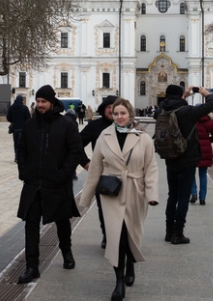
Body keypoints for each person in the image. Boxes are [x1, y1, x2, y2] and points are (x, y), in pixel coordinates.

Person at [81, 98, 158, 301]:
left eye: (123, 113)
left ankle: (131, 262)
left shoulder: (143, 138)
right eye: (116, 114)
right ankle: (119, 281)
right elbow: (96, 167)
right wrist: (86, 197)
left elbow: (151, 168)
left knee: (132, 233)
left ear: (130, 115)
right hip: (112, 192)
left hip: (135, 190)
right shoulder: (104, 137)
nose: (119, 117)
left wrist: (151, 194)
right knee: (116, 236)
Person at [16, 85, 83, 284]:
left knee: (62, 221)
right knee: (31, 224)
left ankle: (66, 251)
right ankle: (31, 266)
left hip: (57, 182)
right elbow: (21, 150)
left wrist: (64, 173)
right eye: (38, 101)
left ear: (52, 103)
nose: (40, 105)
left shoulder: (66, 125)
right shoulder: (29, 125)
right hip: (33, 183)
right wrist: (24, 171)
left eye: (44, 101)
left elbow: (75, 151)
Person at [154, 84, 213, 245]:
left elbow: (165, 105)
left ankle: (168, 231)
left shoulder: (161, 110)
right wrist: (206, 94)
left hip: (170, 157)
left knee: (172, 195)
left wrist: (183, 96)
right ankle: (178, 233)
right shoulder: (187, 112)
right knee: (183, 196)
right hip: (187, 159)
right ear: (181, 95)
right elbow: (211, 105)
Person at [79, 95, 118, 248]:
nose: (111, 110)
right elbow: (76, 143)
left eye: (115, 107)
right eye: (108, 107)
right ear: (104, 109)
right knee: (105, 208)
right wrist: (85, 163)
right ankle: (108, 236)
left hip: (126, 175)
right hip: (104, 174)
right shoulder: (95, 126)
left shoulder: (127, 125)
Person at [191, 110, 213, 205]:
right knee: (203, 174)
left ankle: (193, 193)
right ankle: (202, 198)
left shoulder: (192, 121)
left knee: (191, 173)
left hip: (193, 149)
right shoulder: (209, 122)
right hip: (205, 150)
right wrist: (208, 140)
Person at [6, 95, 31, 163]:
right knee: (21, 143)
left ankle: (16, 157)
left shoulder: (11, 108)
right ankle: (20, 157)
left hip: (14, 128)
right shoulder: (24, 108)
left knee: (16, 143)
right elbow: (28, 118)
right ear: (22, 100)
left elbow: (8, 118)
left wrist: (13, 121)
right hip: (22, 129)